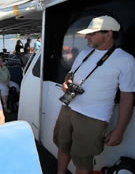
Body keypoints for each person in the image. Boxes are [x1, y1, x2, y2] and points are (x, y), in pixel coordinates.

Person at [53, 15, 135, 174]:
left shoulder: (126, 61)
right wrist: (65, 84)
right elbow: (69, 75)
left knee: (83, 159)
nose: (86, 37)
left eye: (91, 33)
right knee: (63, 147)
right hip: (68, 108)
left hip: (93, 117)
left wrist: (119, 130)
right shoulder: (85, 53)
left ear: (108, 34)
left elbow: (127, 98)